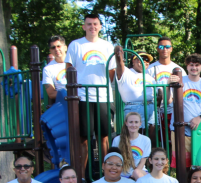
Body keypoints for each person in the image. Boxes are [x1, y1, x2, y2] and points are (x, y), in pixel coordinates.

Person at [65, 14, 117, 156]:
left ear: (100, 27)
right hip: (82, 97)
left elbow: (112, 71)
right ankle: (82, 176)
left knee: (105, 137)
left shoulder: (107, 46)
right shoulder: (75, 45)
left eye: (95, 24)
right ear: (84, 27)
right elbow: (69, 69)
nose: (92, 27)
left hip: (103, 97)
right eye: (89, 24)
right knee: (83, 138)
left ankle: (106, 173)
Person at [169, 53, 201, 168]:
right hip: (180, 130)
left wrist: (199, 117)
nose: (194, 68)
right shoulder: (180, 81)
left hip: (199, 130)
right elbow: (168, 101)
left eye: (197, 65)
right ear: (186, 66)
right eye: (191, 65)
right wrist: (168, 84)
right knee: (182, 165)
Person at [148, 36, 186, 136]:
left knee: (172, 140)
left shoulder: (178, 69)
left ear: (171, 49)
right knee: (156, 140)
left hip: (173, 110)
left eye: (167, 46)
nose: (164, 49)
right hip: (155, 111)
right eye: (161, 47)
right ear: (157, 49)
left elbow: (184, 90)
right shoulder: (151, 68)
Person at [114, 45, 157, 133]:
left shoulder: (150, 76)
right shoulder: (126, 73)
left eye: (147, 60)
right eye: (141, 58)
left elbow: (157, 93)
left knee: (152, 133)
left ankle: (150, 147)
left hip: (151, 106)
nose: (144, 61)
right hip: (134, 107)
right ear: (133, 60)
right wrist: (118, 53)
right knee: (136, 135)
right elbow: (119, 63)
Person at [112, 112, 151, 179]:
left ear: (140, 124)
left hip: (139, 172)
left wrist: (134, 175)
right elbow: (115, 159)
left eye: (136, 122)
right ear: (126, 123)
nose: (133, 125)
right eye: (131, 122)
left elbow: (143, 161)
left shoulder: (146, 140)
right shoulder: (117, 140)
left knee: (137, 174)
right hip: (122, 173)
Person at [42, 35, 68, 104]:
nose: (56, 49)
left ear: (65, 47)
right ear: (50, 50)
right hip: (63, 102)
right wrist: (71, 94)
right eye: (53, 47)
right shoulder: (48, 69)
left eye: (59, 46)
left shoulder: (76, 62)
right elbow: (51, 94)